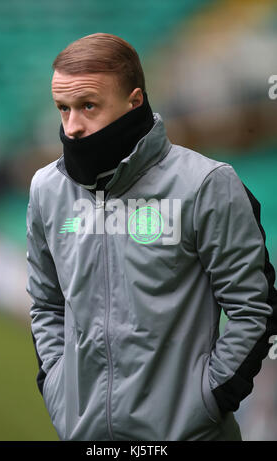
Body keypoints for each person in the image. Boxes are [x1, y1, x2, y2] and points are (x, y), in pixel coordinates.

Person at [26, 32, 277, 441]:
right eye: (63, 109)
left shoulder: (207, 184)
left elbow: (254, 306)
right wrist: (59, 391)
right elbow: (46, 304)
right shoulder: (46, 189)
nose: (72, 126)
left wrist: (208, 399)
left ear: (135, 101)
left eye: (88, 106)